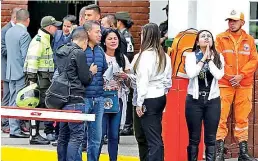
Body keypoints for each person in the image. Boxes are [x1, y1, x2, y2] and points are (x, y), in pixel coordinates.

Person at [215, 10, 258, 161]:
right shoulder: (220, 38)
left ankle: (243, 153)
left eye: (234, 21)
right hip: (225, 84)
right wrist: (230, 76)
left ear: (242, 22)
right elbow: (217, 60)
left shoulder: (250, 40)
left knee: (242, 118)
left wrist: (241, 76)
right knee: (220, 117)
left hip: (244, 84)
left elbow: (254, 60)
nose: (231, 23)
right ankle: (218, 153)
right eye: (229, 21)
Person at [57, 28, 97, 161]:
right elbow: (85, 79)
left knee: (63, 136)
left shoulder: (62, 50)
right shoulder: (79, 53)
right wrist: (91, 72)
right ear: (85, 41)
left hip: (62, 98)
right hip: (75, 98)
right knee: (76, 136)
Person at [133, 23, 172, 161]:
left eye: (142, 34)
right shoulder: (164, 56)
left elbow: (142, 80)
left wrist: (139, 102)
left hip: (147, 97)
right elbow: (168, 81)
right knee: (152, 134)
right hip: (160, 96)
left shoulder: (145, 56)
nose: (141, 36)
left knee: (152, 138)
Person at [184, 30, 225, 161]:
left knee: (211, 138)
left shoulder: (219, 56)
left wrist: (210, 60)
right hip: (194, 100)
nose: (206, 38)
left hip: (212, 100)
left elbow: (219, 75)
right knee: (194, 138)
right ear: (197, 41)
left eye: (209, 36)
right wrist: (202, 59)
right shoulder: (191, 56)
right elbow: (191, 74)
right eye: (203, 36)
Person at [24, 15, 62, 145]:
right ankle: (34, 136)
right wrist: (32, 82)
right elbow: (33, 61)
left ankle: (36, 135)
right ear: (49, 27)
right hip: (39, 79)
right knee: (36, 105)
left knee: (40, 105)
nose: (57, 28)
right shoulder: (40, 40)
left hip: (43, 79)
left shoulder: (45, 39)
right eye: (55, 26)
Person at [99, 28, 131, 161]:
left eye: (115, 38)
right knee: (99, 134)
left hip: (117, 99)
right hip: (102, 98)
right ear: (104, 41)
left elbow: (130, 81)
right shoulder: (100, 55)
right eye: (110, 39)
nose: (113, 41)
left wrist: (125, 77)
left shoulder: (122, 58)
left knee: (114, 134)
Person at [78, 20, 107, 161]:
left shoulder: (100, 50)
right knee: (78, 137)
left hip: (99, 99)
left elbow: (104, 69)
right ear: (88, 33)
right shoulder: (80, 50)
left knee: (96, 138)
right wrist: (89, 72)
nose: (100, 34)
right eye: (97, 32)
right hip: (83, 99)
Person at [5, 9, 31, 139]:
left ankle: (13, 127)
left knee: (11, 100)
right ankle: (15, 130)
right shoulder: (24, 34)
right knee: (18, 101)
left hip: (10, 71)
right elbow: (25, 56)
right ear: (27, 20)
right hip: (20, 72)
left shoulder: (9, 31)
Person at [1, 7, 21, 134]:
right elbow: (2, 49)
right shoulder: (4, 30)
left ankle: (18, 122)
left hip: (16, 69)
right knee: (7, 97)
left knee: (17, 98)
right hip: (7, 69)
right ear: (15, 17)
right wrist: (15, 51)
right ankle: (4, 123)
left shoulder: (18, 29)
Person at [115, 11, 135, 136]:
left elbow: (129, 53)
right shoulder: (121, 34)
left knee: (127, 99)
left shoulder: (126, 36)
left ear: (120, 22)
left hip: (126, 69)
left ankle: (128, 125)